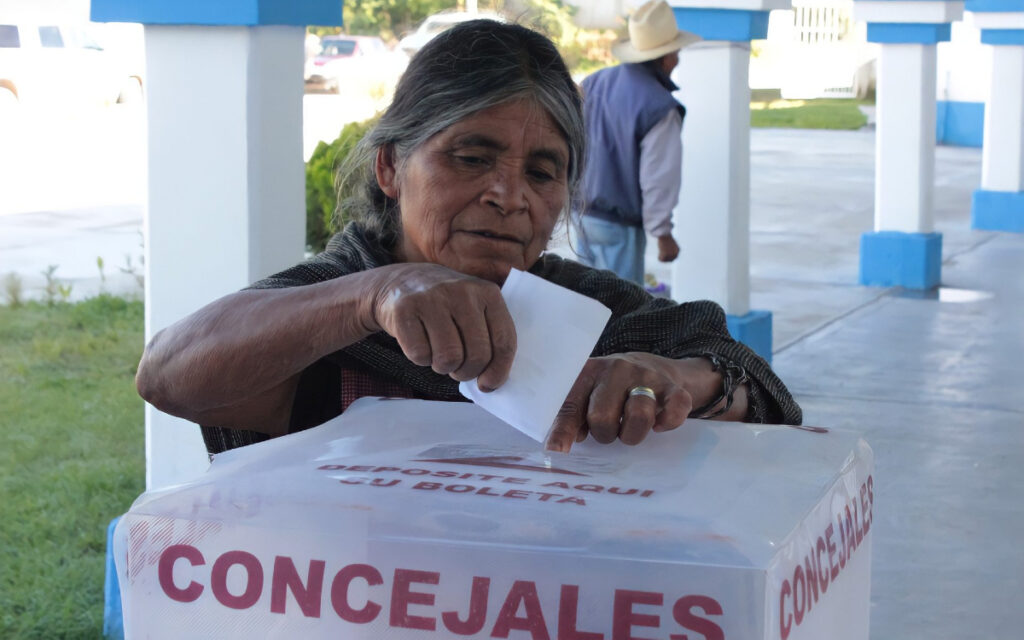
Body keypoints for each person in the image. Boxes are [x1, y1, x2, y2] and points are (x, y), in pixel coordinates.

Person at [135, 19, 801, 458]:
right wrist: (378, 295)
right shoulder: (330, 307)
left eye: (542, 172)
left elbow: (766, 398)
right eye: (470, 157)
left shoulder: (589, 314)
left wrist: (676, 379)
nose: (509, 196)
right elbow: (169, 375)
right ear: (391, 168)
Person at [574, 0, 699, 285]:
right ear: (666, 57)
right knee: (622, 314)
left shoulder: (594, 82)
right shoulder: (660, 107)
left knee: (585, 304)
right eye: (676, 52)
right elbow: (658, 177)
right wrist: (663, 234)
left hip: (581, 216)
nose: (677, 59)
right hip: (619, 225)